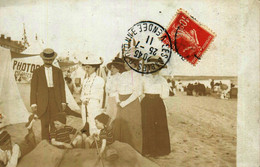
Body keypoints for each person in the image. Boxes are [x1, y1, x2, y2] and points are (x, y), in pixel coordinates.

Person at [30, 48, 66, 141]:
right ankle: (45, 143)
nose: (48, 61)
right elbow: (33, 89)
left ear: (53, 59)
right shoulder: (37, 72)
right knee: (44, 123)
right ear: (42, 59)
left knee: (55, 122)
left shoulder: (58, 71)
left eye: (50, 60)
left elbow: (62, 87)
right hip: (42, 101)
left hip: (55, 99)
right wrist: (33, 103)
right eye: (46, 59)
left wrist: (63, 101)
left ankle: (56, 142)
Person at [141, 56, 171, 157]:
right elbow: (140, 92)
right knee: (146, 125)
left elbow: (165, 95)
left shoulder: (162, 80)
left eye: (155, 66)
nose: (153, 68)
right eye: (151, 66)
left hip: (158, 103)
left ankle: (158, 150)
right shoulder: (144, 78)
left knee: (159, 126)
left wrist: (157, 98)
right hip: (146, 103)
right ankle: (147, 149)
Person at [113, 56, 143, 153]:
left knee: (132, 127)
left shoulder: (137, 75)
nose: (125, 64)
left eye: (128, 62)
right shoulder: (122, 75)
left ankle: (134, 152)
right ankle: (122, 151)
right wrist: (118, 100)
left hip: (131, 103)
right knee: (120, 126)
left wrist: (125, 103)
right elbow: (116, 89)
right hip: (121, 103)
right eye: (125, 62)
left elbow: (137, 92)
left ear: (134, 64)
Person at [80, 56, 105, 135]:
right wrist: (83, 99)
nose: (86, 69)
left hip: (94, 104)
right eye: (85, 67)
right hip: (84, 104)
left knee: (94, 122)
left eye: (88, 67)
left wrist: (100, 108)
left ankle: (94, 139)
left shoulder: (100, 80)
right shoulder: (85, 80)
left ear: (94, 68)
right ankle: (87, 138)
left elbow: (101, 95)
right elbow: (82, 93)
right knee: (85, 121)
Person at [105, 57, 125, 123]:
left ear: (118, 69)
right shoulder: (110, 77)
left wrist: (117, 100)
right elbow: (107, 89)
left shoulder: (120, 77)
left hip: (116, 99)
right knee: (108, 116)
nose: (111, 69)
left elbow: (118, 90)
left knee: (114, 116)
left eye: (114, 67)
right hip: (110, 98)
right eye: (111, 67)